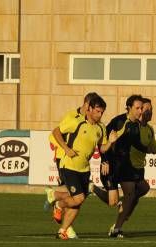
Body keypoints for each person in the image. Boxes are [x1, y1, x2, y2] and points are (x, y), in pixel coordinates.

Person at [47, 95, 117, 239]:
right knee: (78, 198)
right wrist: (66, 148)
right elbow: (56, 131)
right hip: (69, 165)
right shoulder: (76, 121)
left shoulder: (101, 128)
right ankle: (59, 204)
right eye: (97, 111)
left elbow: (102, 149)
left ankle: (62, 231)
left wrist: (110, 142)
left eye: (102, 112)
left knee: (78, 203)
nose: (100, 114)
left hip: (85, 169)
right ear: (89, 109)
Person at [111, 97, 156, 230]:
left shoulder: (149, 129)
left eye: (151, 109)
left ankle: (123, 206)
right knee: (130, 196)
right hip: (126, 165)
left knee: (143, 189)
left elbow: (152, 149)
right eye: (146, 109)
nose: (149, 112)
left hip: (138, 168)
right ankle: (117, 228)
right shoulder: (133, 125)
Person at [45, 92, 95, 238]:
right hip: (64, 158)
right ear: (87, 105)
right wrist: (66, 148)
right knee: (76, 195)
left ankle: (54, 195)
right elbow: (56, 132)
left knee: (77, 195)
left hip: (78, 164)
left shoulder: (91, 122)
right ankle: (67, 227)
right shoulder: (72, 116)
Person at [105, 95, 152, 238]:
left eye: (141, 108)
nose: (141, 111)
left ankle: (117, 227)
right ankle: (92, 188)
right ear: (129, 108)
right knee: (119, 199)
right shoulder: (119, 121)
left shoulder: (135, 125)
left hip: (125, 164)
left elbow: (137, 144)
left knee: (139, 190)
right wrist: (105, 160)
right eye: (138, 108)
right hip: (114, 164)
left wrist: (150, 148)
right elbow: (104, 140)